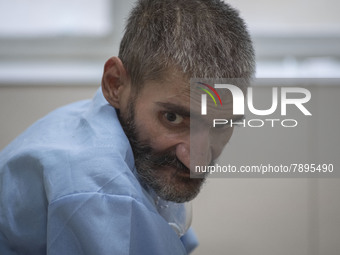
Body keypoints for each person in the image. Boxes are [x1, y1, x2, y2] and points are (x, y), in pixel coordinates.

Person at [0, 0, 255, 254]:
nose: (195, 161)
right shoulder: (99, 192)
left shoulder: (109, 120)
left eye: (221, 125)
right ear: (115, 84)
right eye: (172, 118)